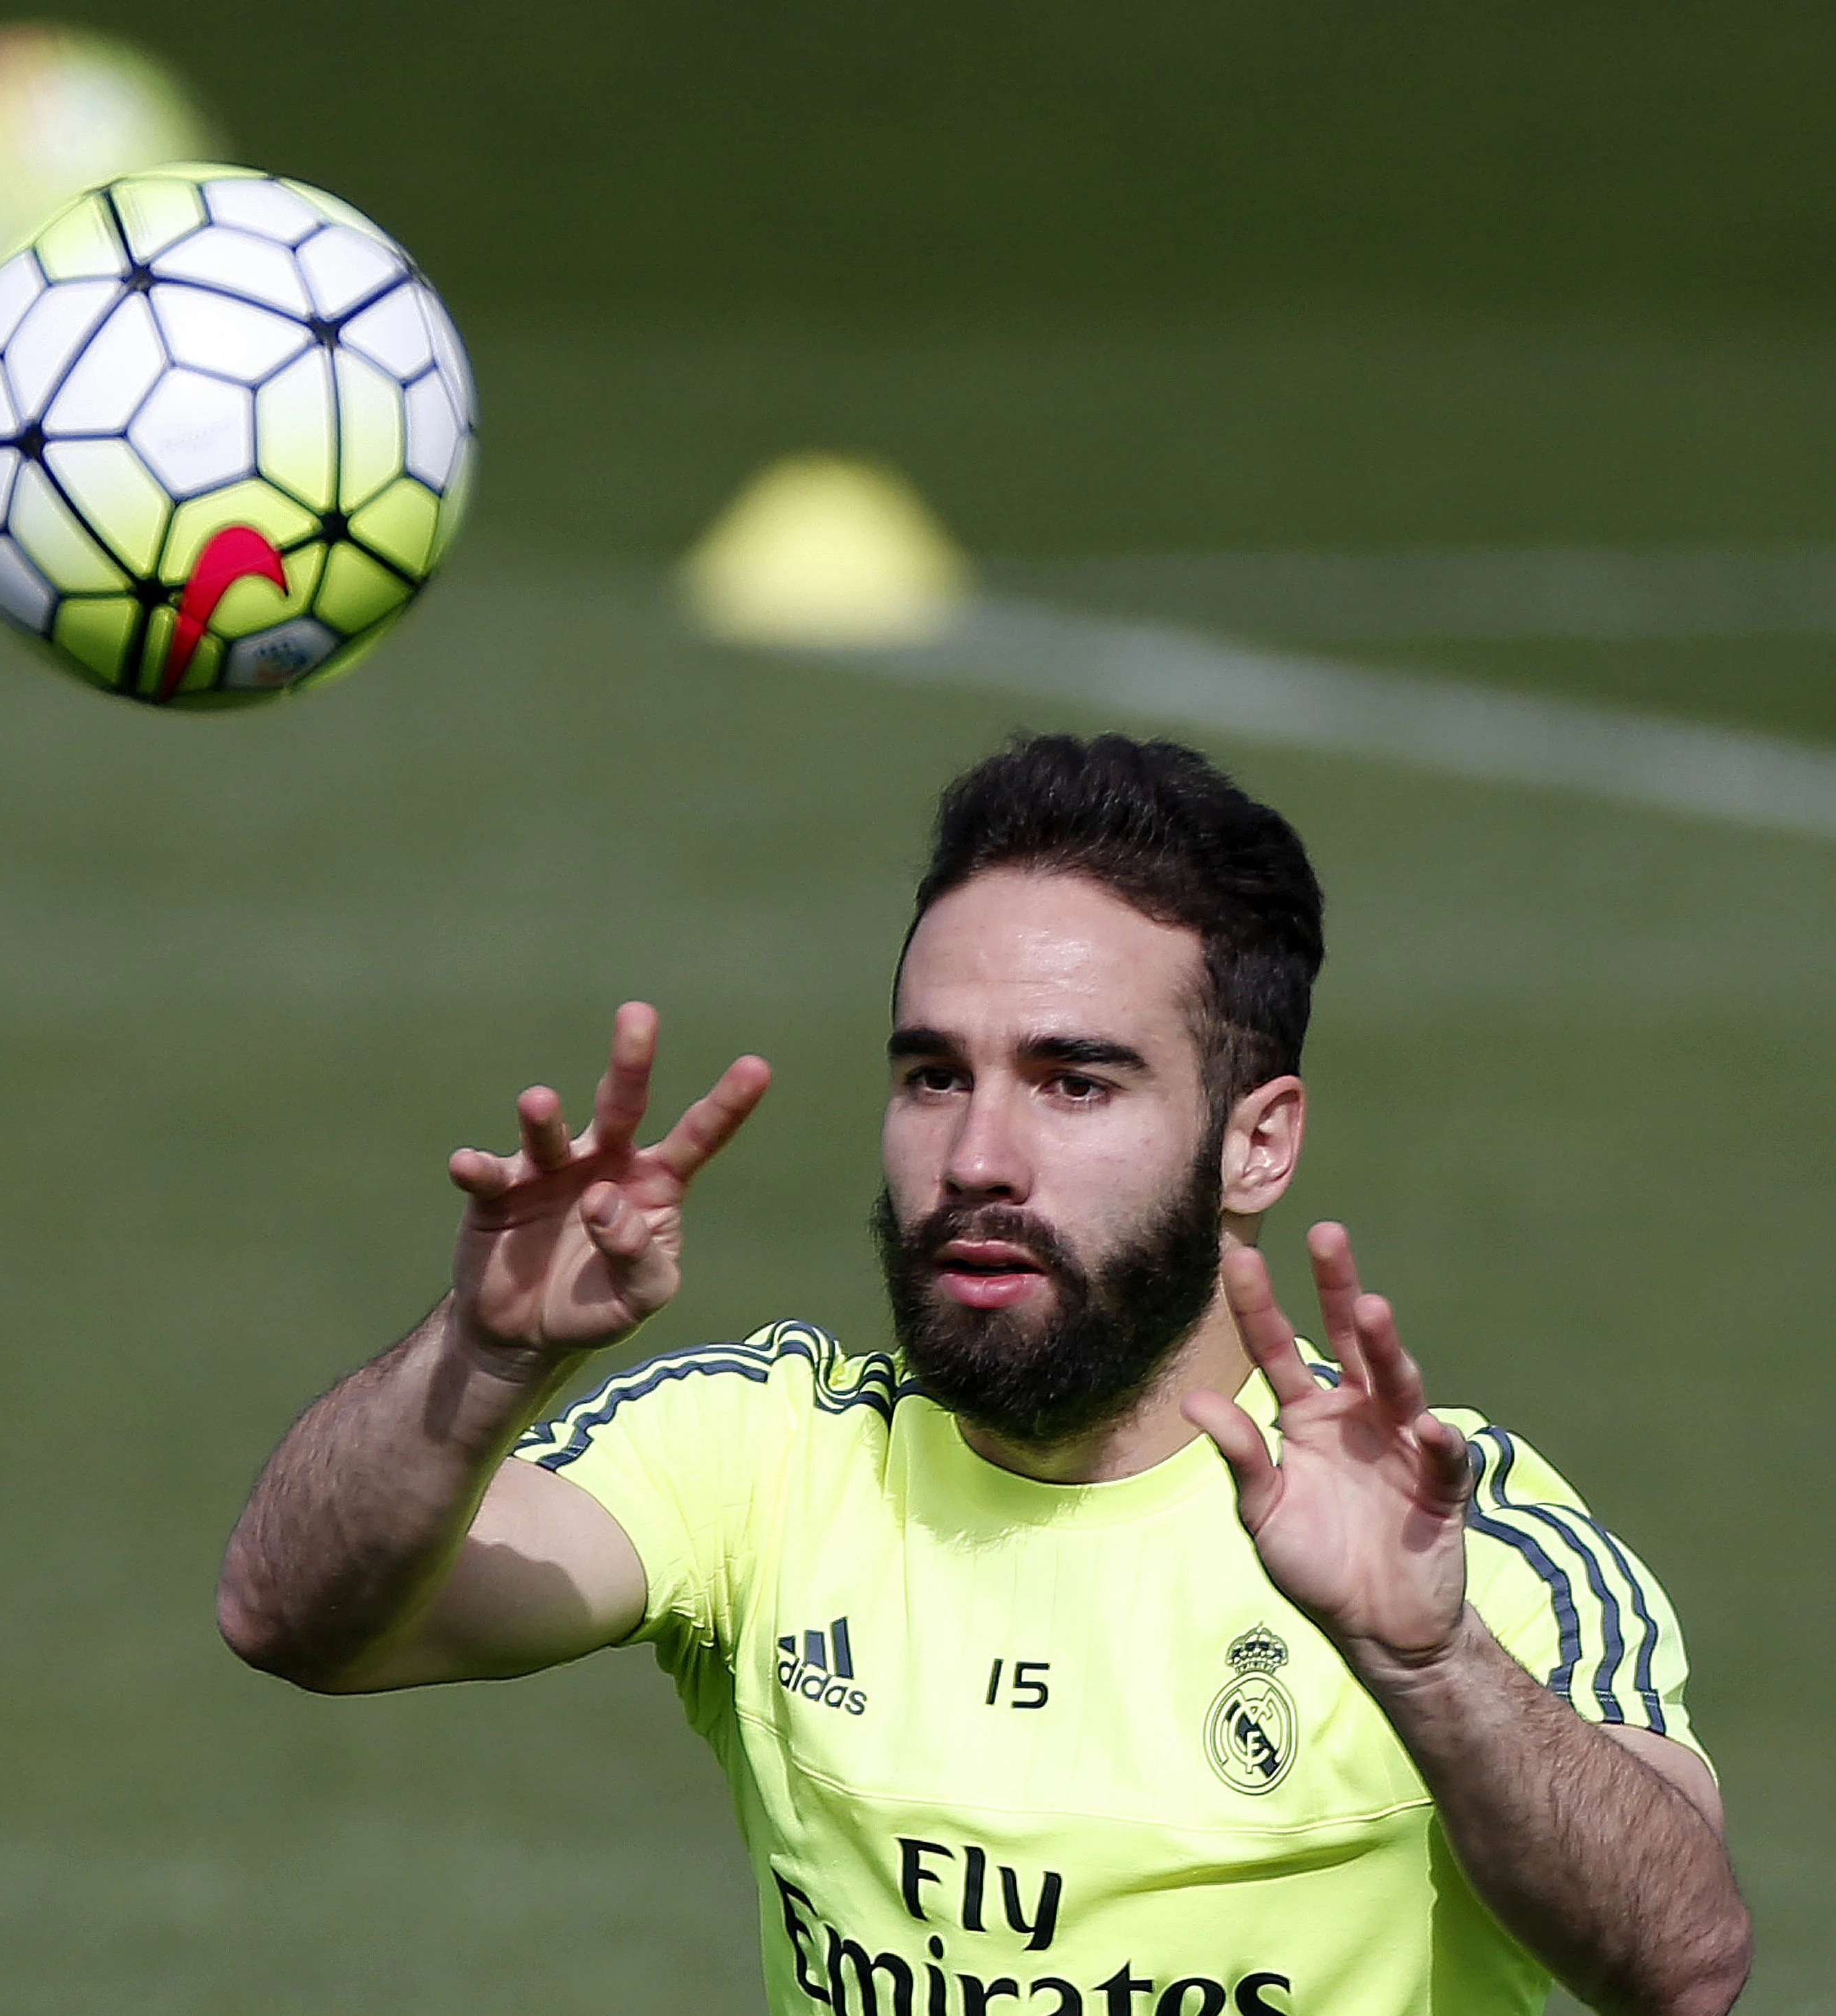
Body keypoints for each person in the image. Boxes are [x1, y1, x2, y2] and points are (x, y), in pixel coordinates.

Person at [216, 734, 1750, 2016]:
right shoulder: (765, 1454)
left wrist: (1430, 1668)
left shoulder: (1437, 1530)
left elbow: (1684, 1963)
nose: (976, 1159)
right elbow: (298, 1620)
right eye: (933, 1074)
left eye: (1076, 1082)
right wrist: (484, 1357)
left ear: (1257, 1141)